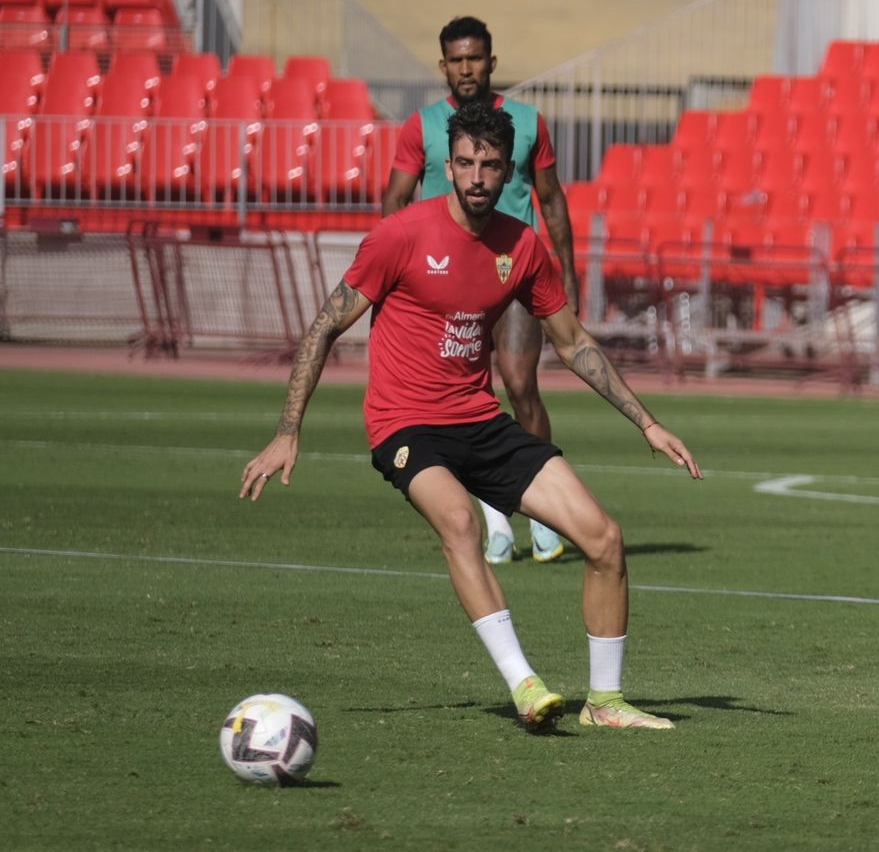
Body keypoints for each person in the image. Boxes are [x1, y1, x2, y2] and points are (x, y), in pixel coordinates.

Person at [244, 101, 700, 730]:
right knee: (461, 523)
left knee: (604, 538)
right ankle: (524, 684)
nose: (476, 177)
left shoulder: (522, 246)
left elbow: (573, 343)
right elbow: (325, 325)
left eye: (489, 165)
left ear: (507, 169)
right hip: (405, 424)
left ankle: (606, 703)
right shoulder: (401, 235)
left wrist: (646, 423)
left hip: (480, 421)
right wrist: (287, 431)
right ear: (449, 165)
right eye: (464, 163)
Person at [383, 15, 579, 565]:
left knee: (519, 384)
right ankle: (497, 525)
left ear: (491, 62)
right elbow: (395, 198)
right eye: (456, 60)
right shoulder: (422, 126)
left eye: (474, 58)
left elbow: (551, 198)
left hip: (512, 274)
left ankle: (543, 515)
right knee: (462, 398)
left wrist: (567, 269)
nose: (466, 68)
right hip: (444, 281)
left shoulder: (527, 122)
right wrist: (399, 267)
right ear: (442, 65)